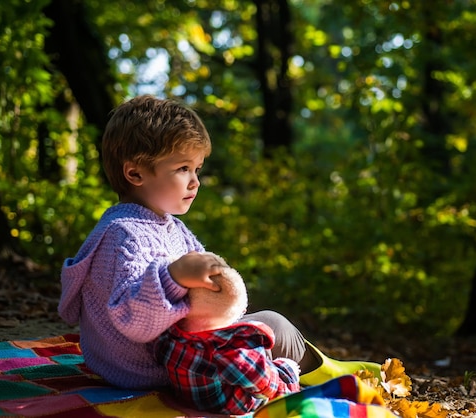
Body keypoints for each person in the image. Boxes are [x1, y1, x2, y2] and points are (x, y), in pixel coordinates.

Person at [58, 94, 381, 393]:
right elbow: (133, 318)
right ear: (135, 173)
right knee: (273, 326)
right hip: (147, 367)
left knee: (257, 331)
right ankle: (330, 376)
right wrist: (174, 277)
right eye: (182, 168)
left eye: (197, 168)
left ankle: (320, 369)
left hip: (166, 356)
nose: (195, 181)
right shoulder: (123, 235)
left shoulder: (170, 227)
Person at [156, 254, 300, 414]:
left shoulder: (170, 336)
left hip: (189, 398)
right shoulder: (232, 350)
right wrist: (288, 373)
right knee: (284, 369)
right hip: (229, 406)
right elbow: (266, 387)